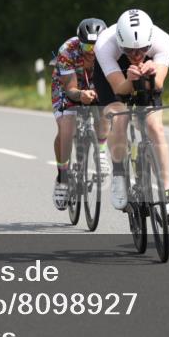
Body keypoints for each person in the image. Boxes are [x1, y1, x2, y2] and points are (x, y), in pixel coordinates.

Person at [92, 9, 169, 223]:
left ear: (150, 42)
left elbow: (158, 84)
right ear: (120, 43)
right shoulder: (105, 44)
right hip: (115, 76)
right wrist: (130, 79)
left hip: (149, 73)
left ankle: (166, 197)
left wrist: (151, 74)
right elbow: (119, 89)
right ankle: (119, 175)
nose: (137, 55)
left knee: (155, 127)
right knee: (118, 117)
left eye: (142, 49)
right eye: (130, 50)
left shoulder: (162, 40)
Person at [50, 18, 108, 210]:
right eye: (86, 46)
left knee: (105, 109)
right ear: (79, 42)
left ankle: (101, 152)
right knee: (66, 129)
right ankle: (62, 177)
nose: (90, 51)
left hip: (95, 83)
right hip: (68, 85)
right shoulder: (67, 50)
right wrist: (81, 95)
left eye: (95, 46)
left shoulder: (110, 49)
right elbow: (70, 88)